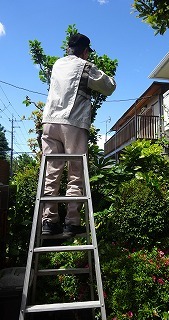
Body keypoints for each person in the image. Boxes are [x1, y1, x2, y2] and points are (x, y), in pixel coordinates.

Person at [41, 33, 116, 238]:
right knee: (75, 172)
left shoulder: (57, 64)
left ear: (68, 49)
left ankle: (49, 221)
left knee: (51, 173)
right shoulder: (85, 66)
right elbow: (109, 87)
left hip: (49, 122)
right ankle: (72, 222)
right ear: (85, 51)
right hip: (71, 123)